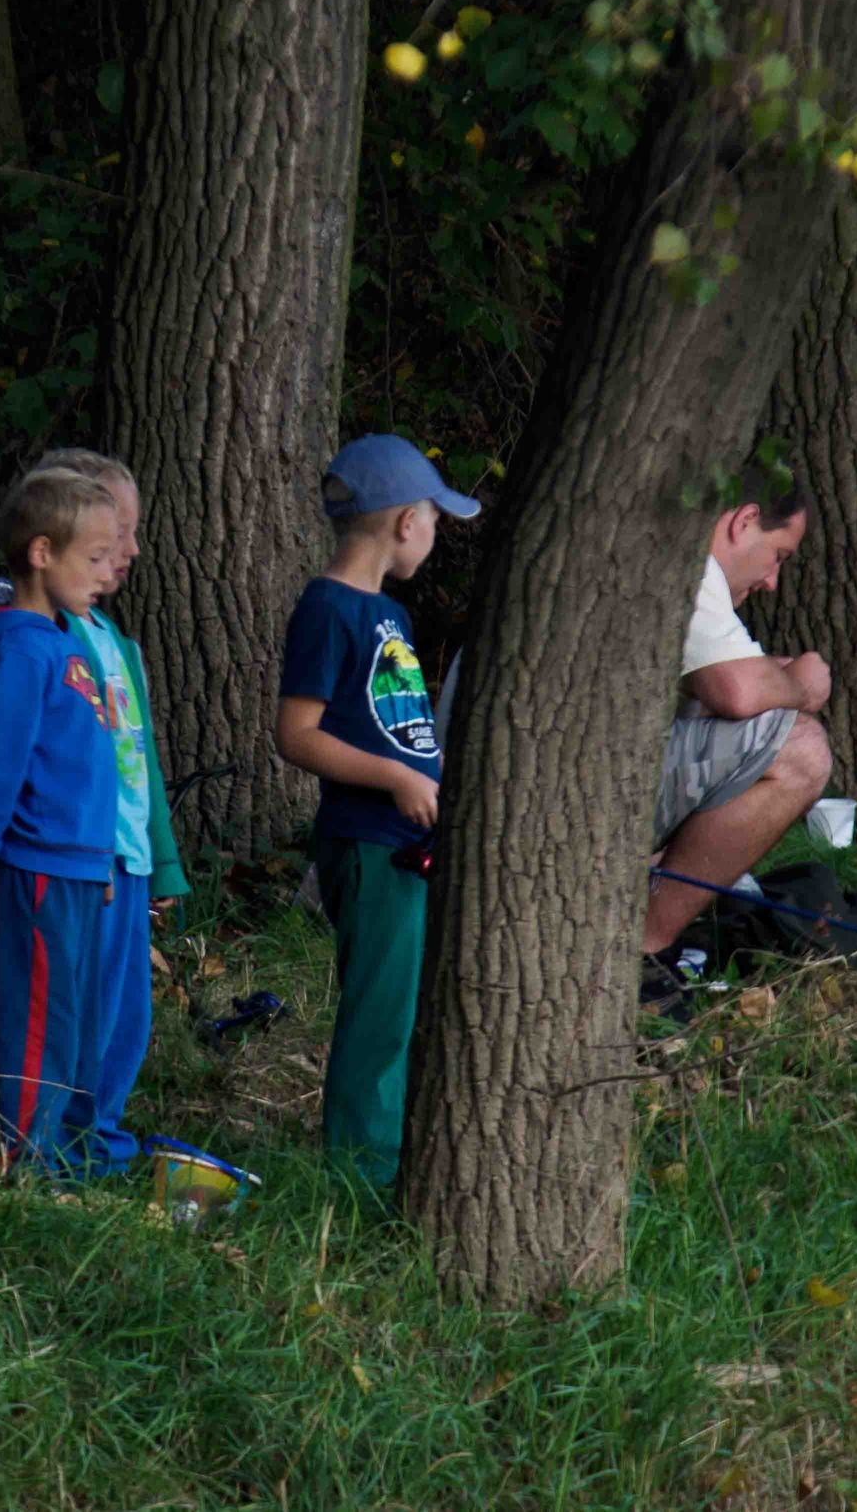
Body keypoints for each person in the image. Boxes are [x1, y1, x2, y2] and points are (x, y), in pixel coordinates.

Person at [275, 433, 477, 1191]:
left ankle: (390, 1156)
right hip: (368, 846)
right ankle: (358, 1181)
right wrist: (396, 778)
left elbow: (400, 726)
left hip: (404, 844)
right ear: (405, 522)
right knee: (379, 1016)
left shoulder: (390, 613)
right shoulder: (329, 608)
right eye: (435, 517)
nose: (436, 531)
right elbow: (297, 733)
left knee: (404, 1007)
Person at [0, 468, 126, 1175]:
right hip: (39, 866)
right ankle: (25, 1160)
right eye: (95, 557)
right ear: (41, 552)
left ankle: (63, 1155)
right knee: (41, 1022)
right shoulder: (22, 650)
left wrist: (103, 859)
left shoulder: (65, 642)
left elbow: (84, 769)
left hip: (82, 867)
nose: (108, 573)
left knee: (76, 1020)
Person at [25, 447, 191, 1173]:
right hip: (79, 857)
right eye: (117, 532)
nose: (131, 549)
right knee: (77, 1008)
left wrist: (165, 863)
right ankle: (57, 1146)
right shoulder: (45, 636)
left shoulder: (117, 642)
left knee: (127, 1015)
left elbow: (142, 764)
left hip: (129, 860)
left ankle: (100, 1140)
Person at [641, 464, 835, 998]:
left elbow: (729, 681)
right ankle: (645, 947)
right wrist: (802, 686)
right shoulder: (684, 563)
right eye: (779, 556)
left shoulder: (640, 540)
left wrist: (773, 679)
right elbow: (739, 693)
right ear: (744, 520)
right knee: (801, 749)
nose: (772, 582)